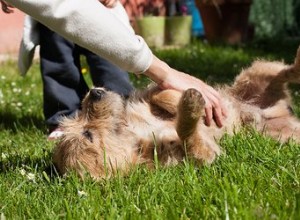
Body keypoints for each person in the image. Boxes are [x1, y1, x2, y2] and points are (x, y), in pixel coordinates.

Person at [1, 0, 227, 128]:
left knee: (109, 59)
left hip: (100, 13)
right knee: (58, 66)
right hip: (56, 19)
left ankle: (125, 112)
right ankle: (63, 119)